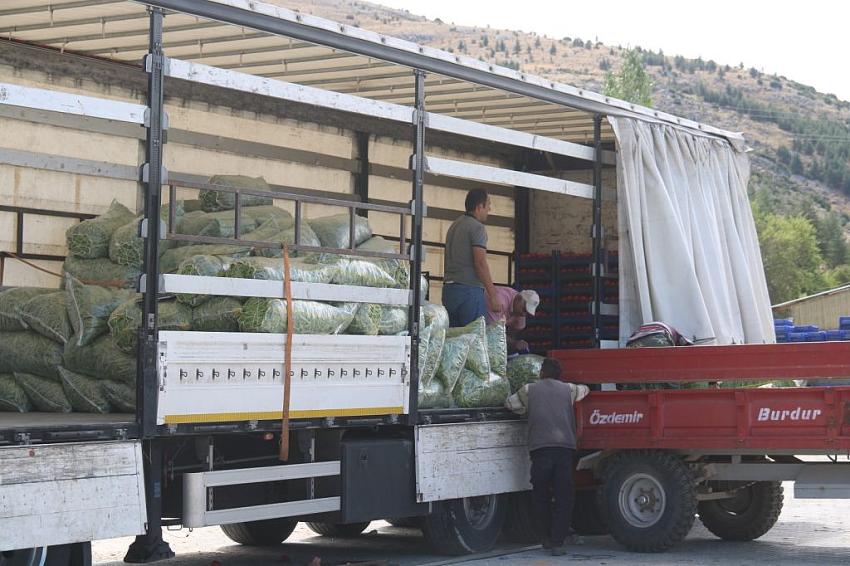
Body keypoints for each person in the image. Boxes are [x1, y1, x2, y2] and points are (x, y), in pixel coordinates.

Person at [505, 357, 589, 556]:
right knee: (564, 497)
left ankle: (545, 537)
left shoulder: (529, 390)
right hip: (564, 450)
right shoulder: (568, 389)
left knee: (540, 495)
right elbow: (585, 390)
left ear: (542, 372)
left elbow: (510, 404)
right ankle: (557, 542)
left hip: (540, 450)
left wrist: (527, 409)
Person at [442, 189, 499, 327]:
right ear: (479, 207)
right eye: (488, 205)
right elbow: (480, 263)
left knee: (455, 341)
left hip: (449, 291)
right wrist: (493, 295)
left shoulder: (454, 225)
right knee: (474, 339)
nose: (489, 209)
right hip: (469, 292)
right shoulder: (477, 228)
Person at [486, 286, 539, 352]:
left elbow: (516, 330)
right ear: (519, 299)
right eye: (524, 310)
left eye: (527, 312)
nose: (524, 314)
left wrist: (514, 343)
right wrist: (513, 343)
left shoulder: (519, 309)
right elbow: (492, 331)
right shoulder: (500, 301)